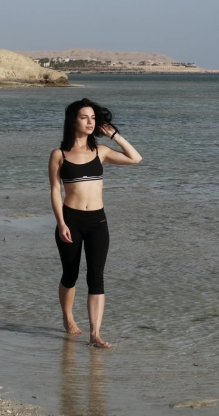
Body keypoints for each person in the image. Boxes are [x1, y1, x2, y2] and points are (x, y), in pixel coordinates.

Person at [48, 98, 142, 348]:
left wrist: (115, 136)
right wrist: (61, 223)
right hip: (71, 220)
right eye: (84, 118)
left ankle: (95, 334)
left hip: (98, 221)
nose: (90, 122)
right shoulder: (59, 155)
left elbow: (135, 158)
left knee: (96, 277)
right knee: (70, 274)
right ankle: (68, 317)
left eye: (93, 118)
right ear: (73, 121)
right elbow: (55, 190)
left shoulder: (101, 152)